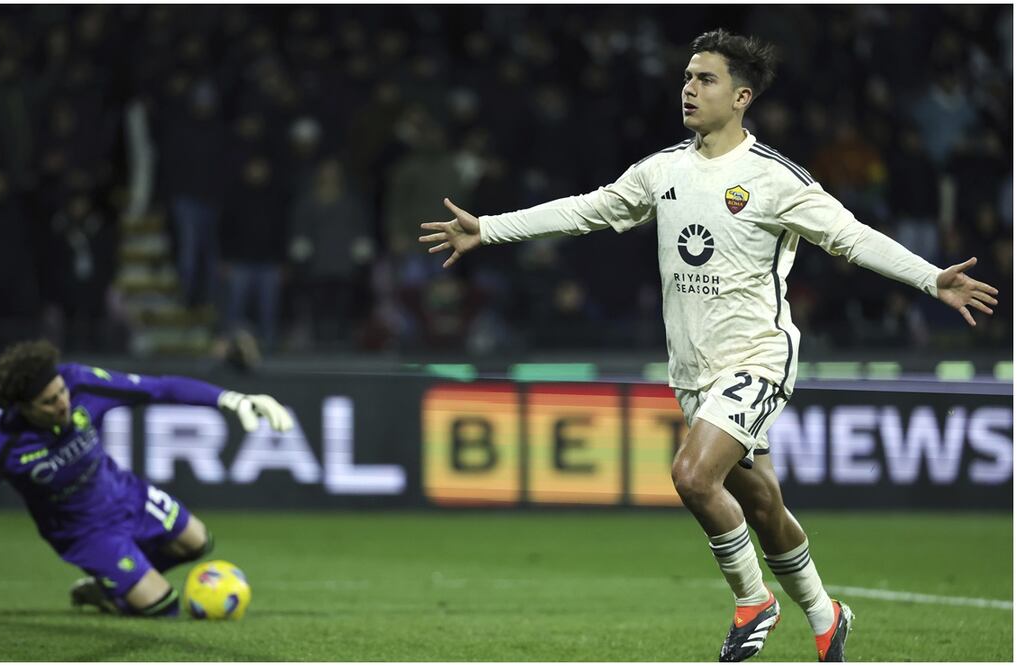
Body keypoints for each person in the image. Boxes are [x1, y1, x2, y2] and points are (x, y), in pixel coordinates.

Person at [418, 29, 999, 662]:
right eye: (688, 77)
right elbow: (590, 209)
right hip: (693, 370)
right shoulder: (664, 169)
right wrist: (490, 229)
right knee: (764, 505)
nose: (690, 88)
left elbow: (850, 237)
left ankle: (754, 601)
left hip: (756, 356)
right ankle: (825, 614)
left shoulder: (775, 180)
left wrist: (928, 276)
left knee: (693, 476)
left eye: (707, 79)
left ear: (742, 96)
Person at [0, 339, 294, 617]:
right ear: (22, 408)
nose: (62, 403)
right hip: (84, 532)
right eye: (48, 402)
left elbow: (160, 388)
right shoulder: (2, 442)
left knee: (198, 543)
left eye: (61, 392)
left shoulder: (81, 383)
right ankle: (117, 585)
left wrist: (230, 399)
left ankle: (110, 583)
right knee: (164, 606)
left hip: (124, 492)